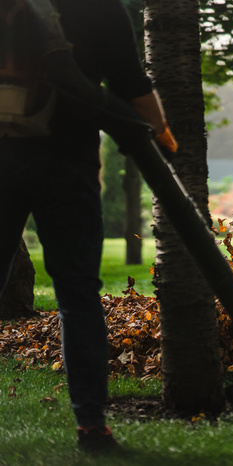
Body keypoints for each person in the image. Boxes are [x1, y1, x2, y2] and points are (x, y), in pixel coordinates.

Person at [0, 0, 173, 452]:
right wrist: (159, 133)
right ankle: (92, 426)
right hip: (67, 170)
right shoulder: (99, 8)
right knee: (78, 297)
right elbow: (131, 85)